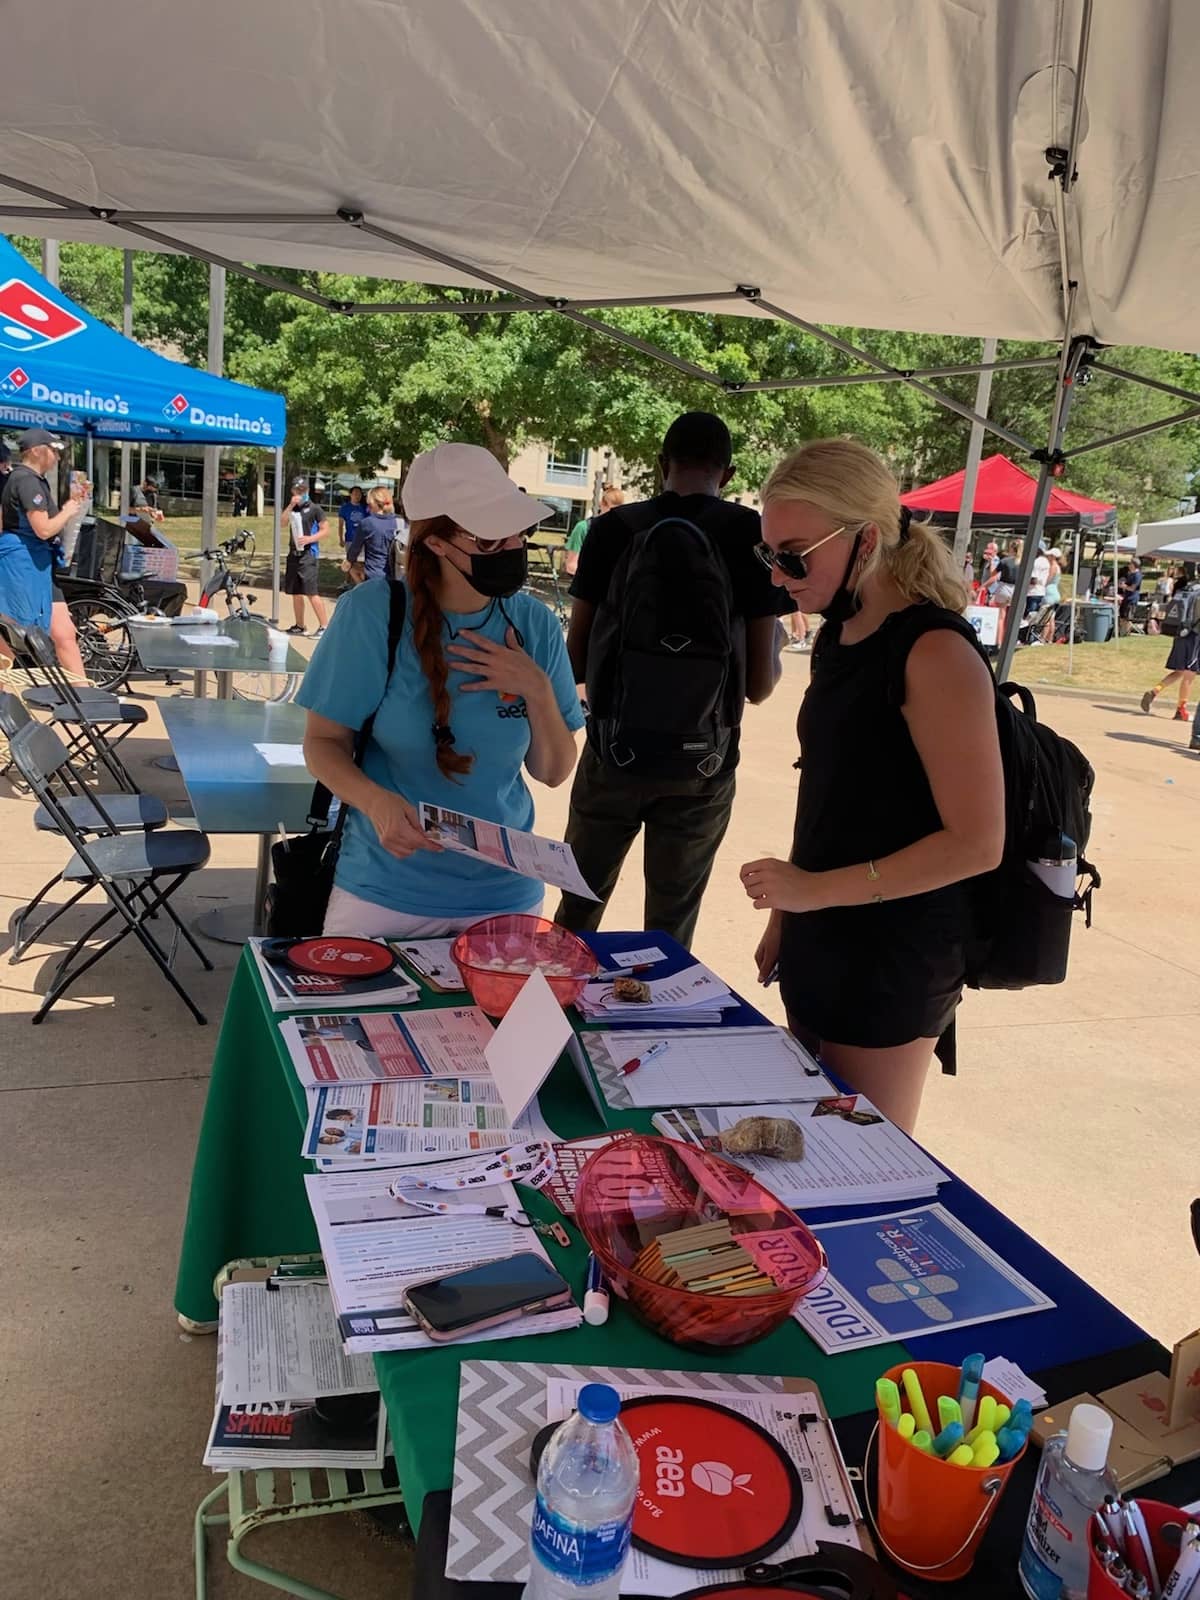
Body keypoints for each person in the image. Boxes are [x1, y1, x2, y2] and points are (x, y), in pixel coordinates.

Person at [740, 439, 1004, 1133]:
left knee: (860, 1164)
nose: (779, 576)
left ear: (867, 538)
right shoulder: (841, 635)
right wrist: (790, 911)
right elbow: (826, 789)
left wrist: (810, 893)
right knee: (803, 1145)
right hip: (823, 934)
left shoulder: (936, 652)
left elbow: (978, 843)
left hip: (895, 955)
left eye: (793, 553)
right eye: (769, 554)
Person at [298, 442, 583, 937]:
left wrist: (535, 688)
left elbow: (553, 772)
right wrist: (376, 801)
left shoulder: (534, 625)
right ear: (435, 543)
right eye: (491, 540)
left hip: (505, 898)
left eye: (519, 530)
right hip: (383, 894)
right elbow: (322, 744)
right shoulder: (373, 615)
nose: (514, 546)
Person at [553, 411, 787, 948]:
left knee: (578, 903)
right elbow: (759, 686)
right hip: (702, 764)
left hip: (614, 751)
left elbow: (578, 663)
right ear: (726, 475)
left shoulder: (614, 528)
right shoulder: (749, 534)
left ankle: (553, 1010)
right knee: (672, 919)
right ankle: (654, 1014)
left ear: (662, 465)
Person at [0, 428, 89, 677]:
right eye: (54, 450)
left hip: (37, 565)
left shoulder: (24, 480)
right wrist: (68, 511)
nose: (57, 457)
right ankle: (4, 700)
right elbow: (43, 530)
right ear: (38, 451)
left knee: (64, 632)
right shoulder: (27, 481)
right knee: (8, 635)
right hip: (23, 565)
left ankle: (84, 695)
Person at [1141, 578, 1200, 722]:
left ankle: (1155, 690)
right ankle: (1181, 709)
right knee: (1189, 674)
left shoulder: (1189, 588)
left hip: (1180, 633)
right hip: (1194, 636)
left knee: (1180, 670)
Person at [283, 478, 330, 636]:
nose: (300, 493)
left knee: (311, 592)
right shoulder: (293, 509)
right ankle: (300, 624)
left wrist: (310, 539)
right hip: (293, 554)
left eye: (303, 491)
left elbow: (325, 530)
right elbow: (282, 523)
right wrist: (290, 505)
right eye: (297, 490)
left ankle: (324, 626)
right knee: (296, 592)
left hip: (308, 555)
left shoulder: (315, 509)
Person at [563, 485, 624, 578]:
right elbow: (571, 566)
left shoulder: (623, 531)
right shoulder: (584, 528)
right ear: (602, 504)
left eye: (619, 511)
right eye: (611, 511)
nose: (615, 515)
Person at [344, 486, 399, 584]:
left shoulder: (367, 523)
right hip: (397, 576)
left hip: (373, 575)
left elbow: (354, 550)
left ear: (372, 503)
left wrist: (348, 562)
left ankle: (362, 589)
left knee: (351, 568)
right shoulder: (401, 523)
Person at [1119, 556, 1143, 628]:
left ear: (1134, 565)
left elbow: (1133, 588)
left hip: (1132, 599)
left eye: (1130, 563)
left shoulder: (1137, 575)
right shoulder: (1130, 574)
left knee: (1128, 618)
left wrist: (1124, 586)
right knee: (1122, 615)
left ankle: (1126, 632)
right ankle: (1121, 631)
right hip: (1126, 598)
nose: (1129, 565)